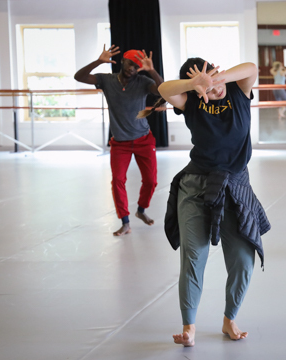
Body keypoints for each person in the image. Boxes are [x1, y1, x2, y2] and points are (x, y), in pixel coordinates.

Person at [157, 60, 270, 347]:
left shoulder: (238, 91)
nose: (214, 86)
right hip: (196, 186)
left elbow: (251, 67)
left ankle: (229, 318)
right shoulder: (192, 103)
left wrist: (216, 77)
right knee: (195, 255)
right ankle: (189, 326)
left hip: (235, 186)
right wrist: (195, 85)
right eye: (205, 84)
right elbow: (163, 88)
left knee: (244, 260)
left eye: (216, 77)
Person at [74, 45, 163, 236]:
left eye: (137, 66)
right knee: (118, 181)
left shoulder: (143, 81)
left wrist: (152, 70)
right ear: (123, 61)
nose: (133, 68)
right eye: (131, 63)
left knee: (151, 181)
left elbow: (163, 91)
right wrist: (99, 61)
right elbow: (78, 77)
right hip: (120, 143)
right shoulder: (107, 80)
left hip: (143, 140)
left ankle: (140, 210)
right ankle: (125, 222)